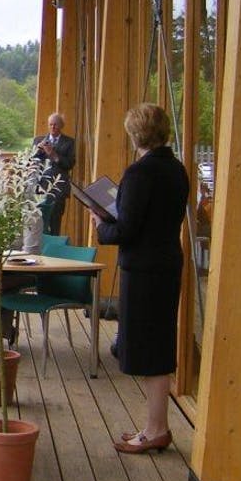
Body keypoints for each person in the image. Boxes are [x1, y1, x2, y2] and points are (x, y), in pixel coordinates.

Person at [93, 104, 188, 454]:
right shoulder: (176, 169)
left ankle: (155, 429)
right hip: (166, 264)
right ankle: (155, 424)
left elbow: (126, 229)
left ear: (135, 134)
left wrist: (100, 224)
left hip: (144, 271)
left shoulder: (139, 173)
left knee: (150, 351)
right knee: (159, 345)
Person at [32, 112, 76, 235]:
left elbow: (70, 164)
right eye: (50, 125)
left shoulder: (69, 142)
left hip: (58, 189)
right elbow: (31, 162)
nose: (52, 127)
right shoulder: (38, 140)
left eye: (55, 125)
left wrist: (53, 154)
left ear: (61, 126)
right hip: (41, 187)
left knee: (55, 224)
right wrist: (38, 151)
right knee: (38, 223)